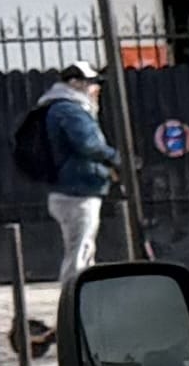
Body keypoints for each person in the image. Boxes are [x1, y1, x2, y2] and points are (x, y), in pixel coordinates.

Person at [21, 58, 121, 283]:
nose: (95, 87)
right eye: (91, 82)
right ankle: (73, 302)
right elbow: (89, 144)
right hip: (77, 190)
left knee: (82, 249)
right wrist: (116, 159)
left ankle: (82, 299)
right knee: (79, 252)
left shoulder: (56, 107)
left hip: (66, 189)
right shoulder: (71, 109)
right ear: (75, 83)